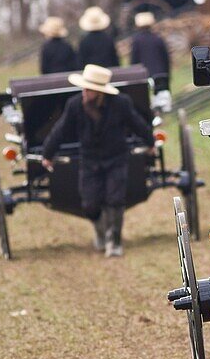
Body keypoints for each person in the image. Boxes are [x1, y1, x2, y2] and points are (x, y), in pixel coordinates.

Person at [40, 64, 154, 257]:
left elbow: (137, 123)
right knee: (89, 204)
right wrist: (48, 154)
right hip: (90, 160)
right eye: (84, 88)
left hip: (116, 158)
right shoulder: (75, 105)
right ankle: (101, 230)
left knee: (115, 200)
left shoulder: (121, 103)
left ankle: (115, 241)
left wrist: (150, 142)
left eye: (88, 89)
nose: (84, 92)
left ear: (99, 92)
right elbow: (61, 130)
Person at [129, 11, 170, 81]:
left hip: (144, 75)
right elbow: (165, 58)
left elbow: (134, 61)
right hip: (160, 74)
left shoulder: (136, 41)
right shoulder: (157, 38)